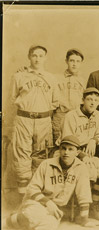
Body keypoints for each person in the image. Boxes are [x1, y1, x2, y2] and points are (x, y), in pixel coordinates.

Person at [5, 135, 99, 230]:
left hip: (56, 208)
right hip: (38, 203)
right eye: (63, 148)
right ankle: (12, 221)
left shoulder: (81, 168)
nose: (66, 152)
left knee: (47, 228)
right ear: (60, 149)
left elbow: (83, 194)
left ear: (77, 152)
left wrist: (84, 219)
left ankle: (23, 219)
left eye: (70, 149)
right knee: (35, 213)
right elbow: (31, 189)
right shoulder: (46, 164)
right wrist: (48, 203)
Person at [10, 45, 59, 196]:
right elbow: (12, 99)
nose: (37, 59)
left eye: (41, 55)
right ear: (29, 57)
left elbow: (55, 102)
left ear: (46, 58)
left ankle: (36, 198)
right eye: (34, 55)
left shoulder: (51, 77)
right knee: (22, 156)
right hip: (24, 118)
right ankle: (23, 201)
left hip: (44, 120)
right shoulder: (19, 76)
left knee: (42, 156)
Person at [58, 87, 99, 221]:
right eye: (89, 99)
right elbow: (67, 142)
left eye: (96, 100)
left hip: (87, 154)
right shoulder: (71, 116)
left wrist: (94, 140)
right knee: (86, 170)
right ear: (83, 100)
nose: (92, 103)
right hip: (68, 154)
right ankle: (83, 212)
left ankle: (94, 206)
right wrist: (82, 156)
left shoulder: (97, 114)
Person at [52, 48, 85, 143]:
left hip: (76, 117)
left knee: (75, 144)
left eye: (78, 61)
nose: (74, 64)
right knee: (58, 144)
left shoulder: (83, 81)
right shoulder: (56, 78)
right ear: (66, 61)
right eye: (72, 60)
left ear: (81, 63)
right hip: (60, 116)